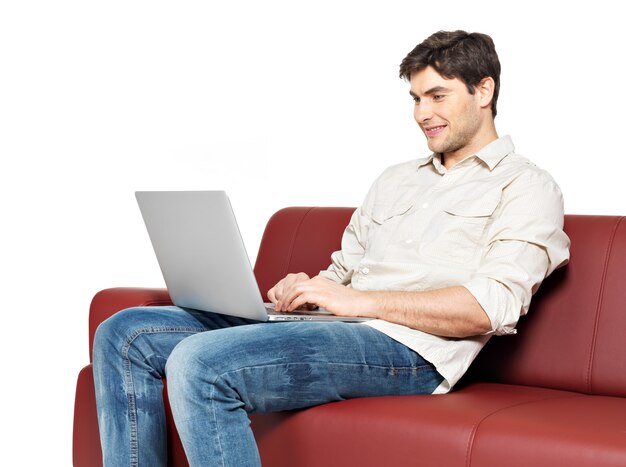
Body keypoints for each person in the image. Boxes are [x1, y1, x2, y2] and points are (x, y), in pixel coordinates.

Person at [92, 30, 570, 466]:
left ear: (483, 91)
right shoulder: (395, 179)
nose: (423, 113)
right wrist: (311, 286)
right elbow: (346, 268)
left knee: (203, 363)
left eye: (437, 95)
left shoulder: (527, 187)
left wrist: (360, 302)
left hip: (412, 352)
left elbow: (492, 308)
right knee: (125, 332)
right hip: (337, 327)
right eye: (416, 98)